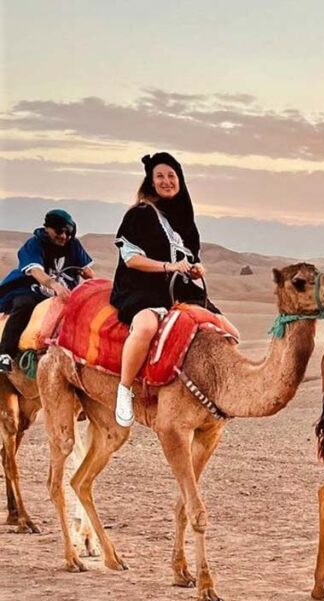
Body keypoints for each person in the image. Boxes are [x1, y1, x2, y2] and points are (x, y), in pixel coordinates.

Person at [111, 152, 238, 427]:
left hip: (180, 289)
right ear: (151, 181)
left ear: (180, 180)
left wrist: (194, 269)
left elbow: (189, 258)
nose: (167, 181)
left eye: (172, 176)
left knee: (230, 331)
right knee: (145, 326)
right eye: (160, 176)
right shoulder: (139, 215)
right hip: (141, 287)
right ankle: (124, 389)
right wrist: (168, 267)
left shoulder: (186, 221)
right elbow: (131, 259)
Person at [0, 210, 95, 373]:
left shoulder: (73, 245)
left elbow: (87, 270)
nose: (64, 236)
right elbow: (36, 271)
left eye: (68, 232)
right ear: (47, 228)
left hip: (66, 293)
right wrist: (55, 286)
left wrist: (87, 274)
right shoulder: (34, 244)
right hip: (32, 289)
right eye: (59, 231)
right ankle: (5, 354)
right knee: (24, 304)